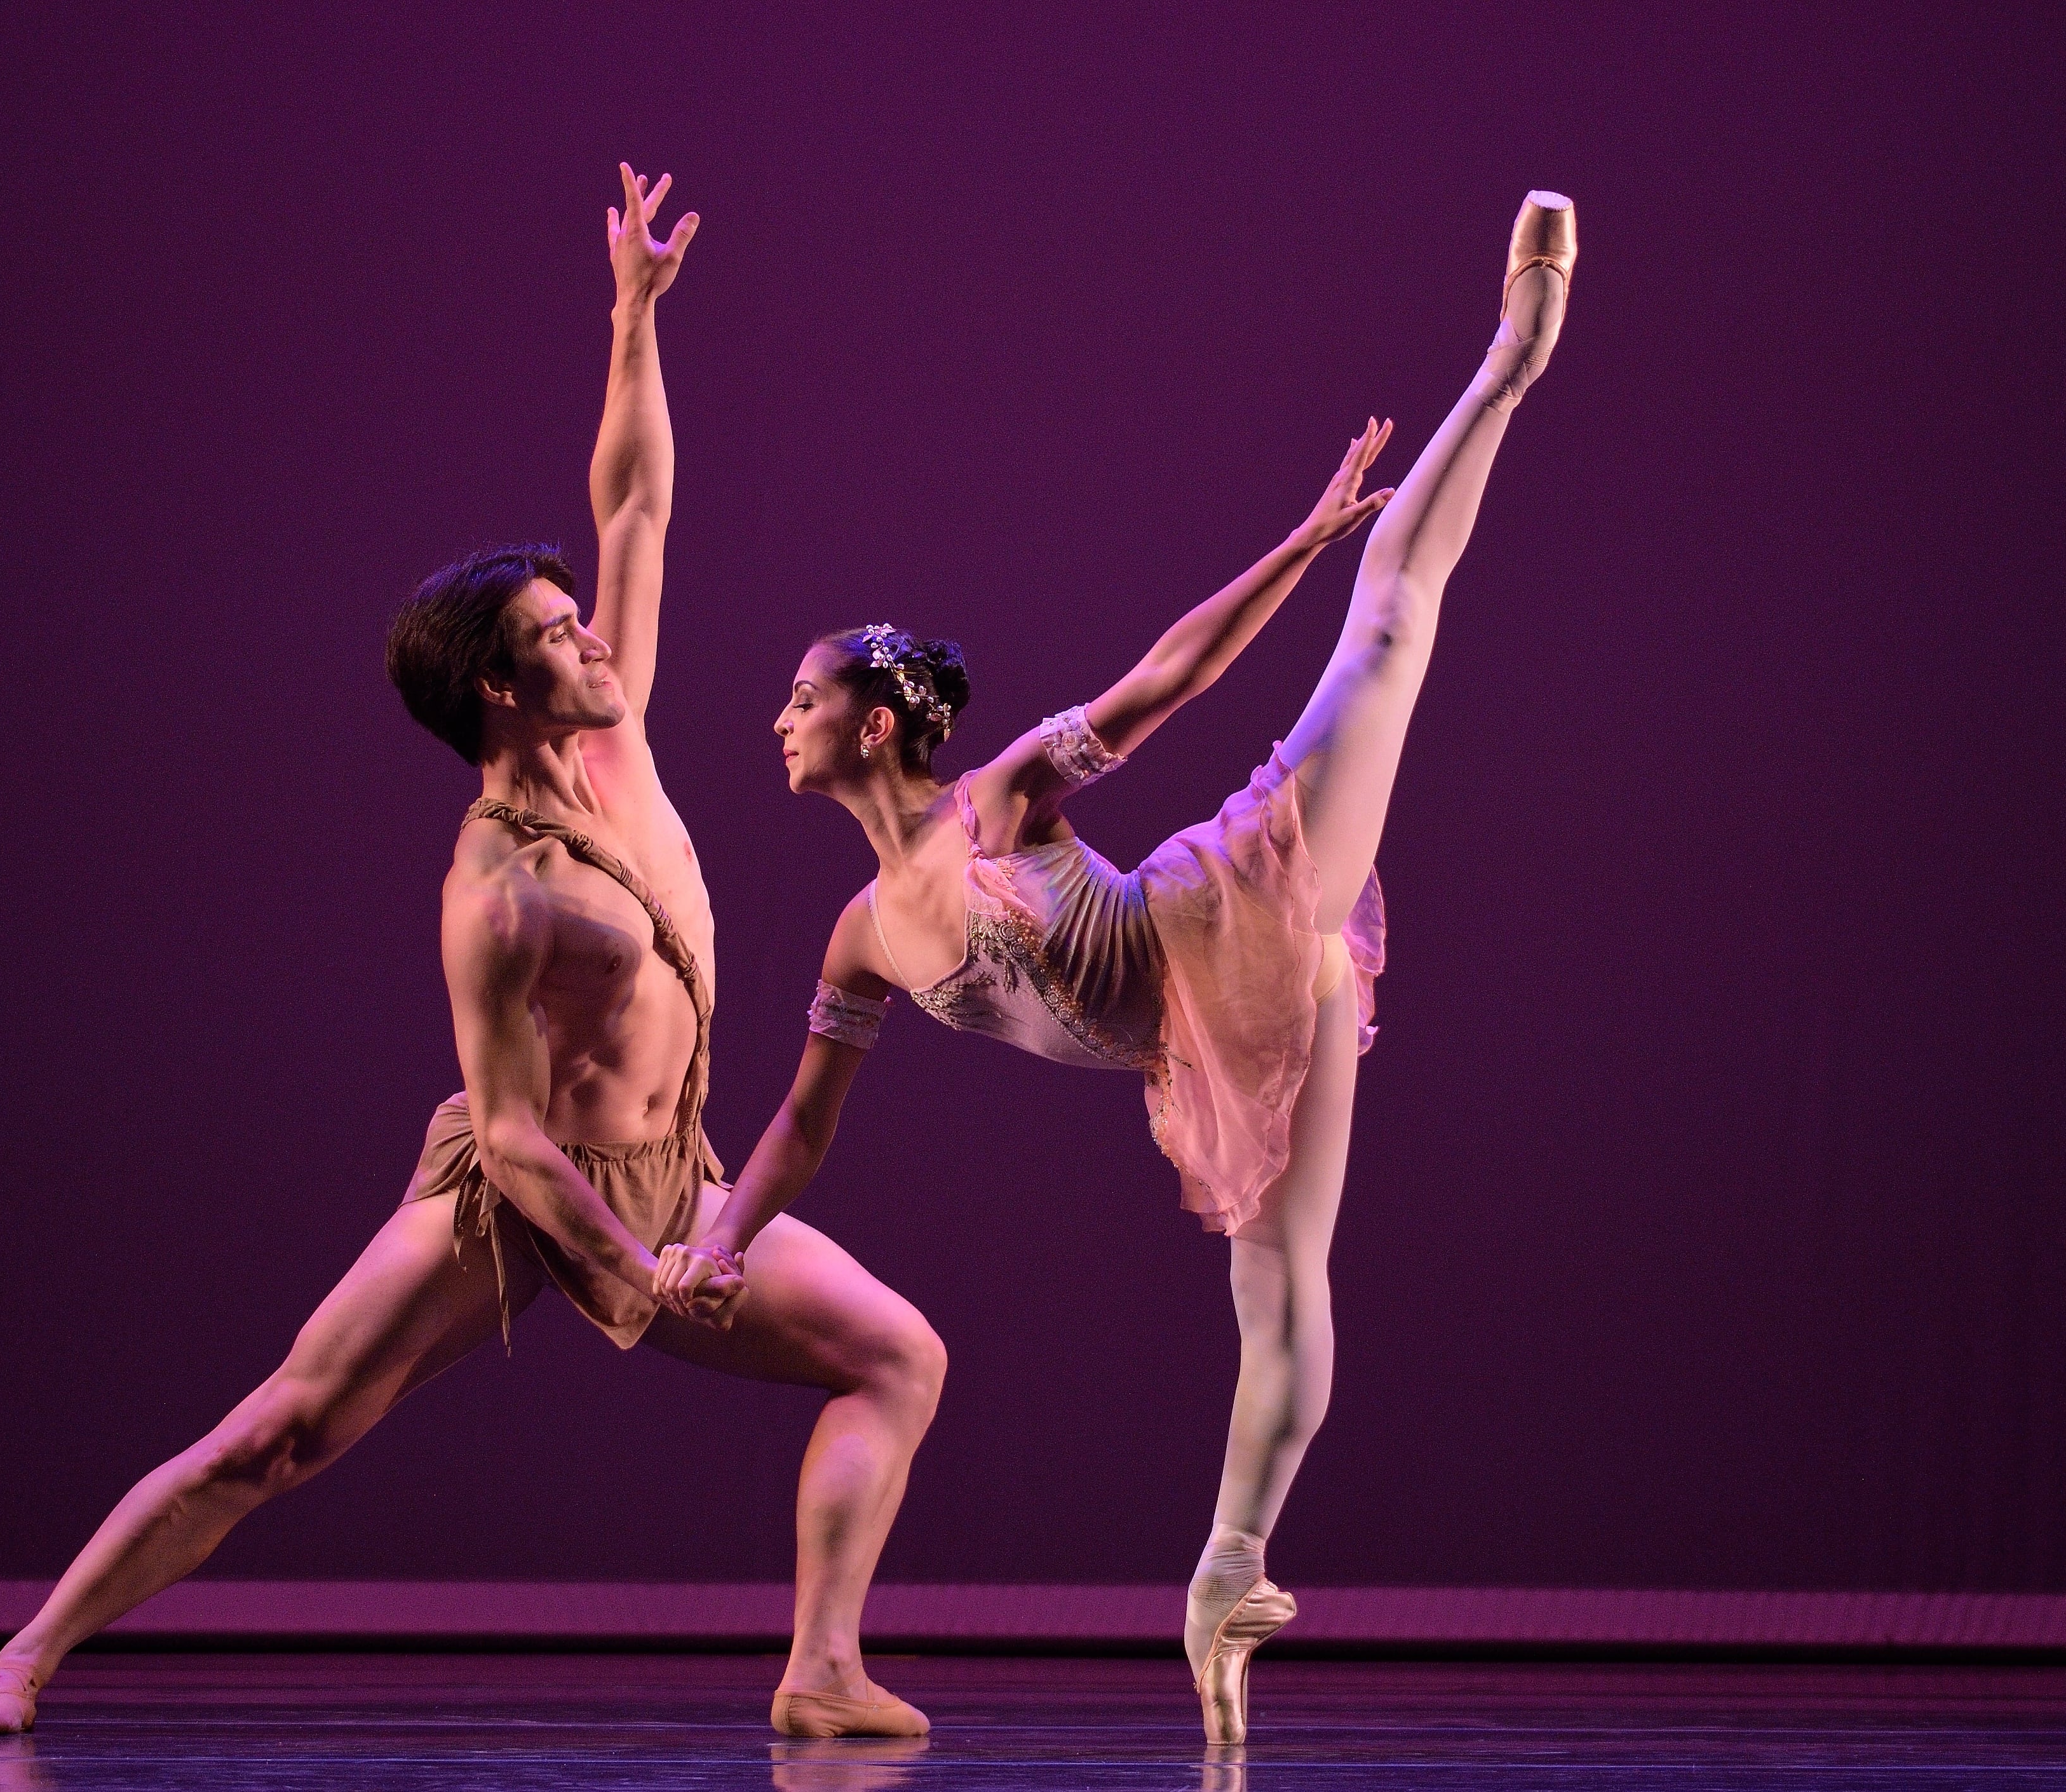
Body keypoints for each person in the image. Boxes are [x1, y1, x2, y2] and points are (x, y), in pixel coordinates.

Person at [0, 166, 945, 1744]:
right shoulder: (500, 887)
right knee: (281, 1432)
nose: (593, 636)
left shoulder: (617, 756)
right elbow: (523, 1134)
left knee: (896, 1352)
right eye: (556, 634)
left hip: (665, 1174)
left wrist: (631, 321)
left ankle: (818, 1668)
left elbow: (634, 506)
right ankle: (23, 1663)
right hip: (519, 1191)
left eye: (576, 620)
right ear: (496, 690)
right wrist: (632, 1276)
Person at [656, 192, 1578, 1742]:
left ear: (872, 723)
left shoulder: (998, 799)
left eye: (800, 701)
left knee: (1384, 623)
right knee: (1277, 1289)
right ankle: (1229, 1571)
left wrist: (1301, 534)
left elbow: (1166, 680)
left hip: (1230, 906)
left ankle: (1513, 350)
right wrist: (726, 1235)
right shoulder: (857, 937)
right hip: (1203, 1045)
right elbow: (805, 1123)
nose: (779, 720)